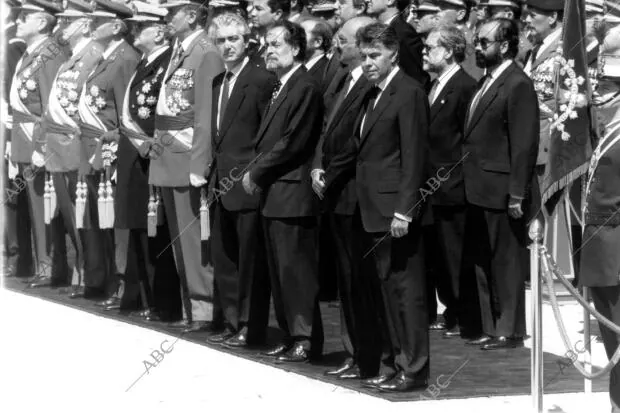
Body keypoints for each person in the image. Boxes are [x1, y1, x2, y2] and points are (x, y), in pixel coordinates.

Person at [322, 22, 430, 392]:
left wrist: (405, 209)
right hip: (369, 209)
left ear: (393, 54)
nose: (368, 62)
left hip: (394, 211)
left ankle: (414, 369)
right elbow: (357, 145)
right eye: (364, 55)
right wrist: (327, 171)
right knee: (384, 294)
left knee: (405, 293)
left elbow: (414, 155)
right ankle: (394, 362)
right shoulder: (373, 92)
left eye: (375, 55)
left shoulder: (408, 92)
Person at [242, 20, 324, 363]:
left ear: (296, 48)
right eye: (266, 45)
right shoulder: (280, 85)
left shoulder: (304, 86)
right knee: (279, 271)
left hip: (292, 191)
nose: (269, 51)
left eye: (276, 44)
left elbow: (294, 141)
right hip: (275, 193)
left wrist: (257, 171)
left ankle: (305, 337)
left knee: (296, 270)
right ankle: (290, 334)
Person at [462, 17, 538, 350]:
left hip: (503, 188)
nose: (478, 47)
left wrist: (517, 193)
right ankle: (491, 325)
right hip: (478, 187)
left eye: (484, 42)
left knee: (505, 261)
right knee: (483, 259)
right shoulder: (487, 81)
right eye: (477, 41)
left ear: (504, 46)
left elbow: (523, 144)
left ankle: (510, 329)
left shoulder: (517, 83)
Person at [151, 0, 224, 332]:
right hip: (168, 153)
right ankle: (190, 306)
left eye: (172, 11)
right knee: (179, 239)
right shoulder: (180, 48)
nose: (167, 17)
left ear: (192, 15)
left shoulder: (206, 50)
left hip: (186, 154)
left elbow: (205, 113)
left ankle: (204, 308)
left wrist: (200, 161)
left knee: (194, 237)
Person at [312, 15, 378, 380]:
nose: (337, 44)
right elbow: (328, 130)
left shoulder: (368, 85)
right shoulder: (341, 79)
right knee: (346, 284)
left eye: (344, 39)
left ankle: (367, 353)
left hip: (354, 194)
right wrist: (317, 167)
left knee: (360, 282)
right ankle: (353, 351)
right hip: (333, 193)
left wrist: (331, 171)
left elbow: (357, 141)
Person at [207, 12, 275, 349]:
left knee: (251, 262)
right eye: (221, 40)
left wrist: (256, 175)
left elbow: (269, 134)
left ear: (247, 40)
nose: (227, 46)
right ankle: (232, 321)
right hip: (219, 184)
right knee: (226, 259)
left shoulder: (262, 79)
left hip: (248, 183)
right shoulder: (218, 82)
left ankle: (252, 324)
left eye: (233, 39)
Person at [115, 0, 180, 321]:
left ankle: (161, 301)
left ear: (160, 32)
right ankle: (143, 296)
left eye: (142, 26)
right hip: (138, 156)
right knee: (139, 227)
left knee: (155, 231)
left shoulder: (167, 62)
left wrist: (148, 144)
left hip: (155, 155)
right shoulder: (145, 62)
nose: (135, 31)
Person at [36, 0, 104, 298]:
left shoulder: (92, 55)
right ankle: (81, 273)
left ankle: (91, 277)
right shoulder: (70, 57)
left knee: (84, 217)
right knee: (70, 216)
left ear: (86, 24)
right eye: (61, 20)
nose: (62, 26)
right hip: (58, 146)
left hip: (75, 145)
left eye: (69, 21)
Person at [75, 0, 141, 308]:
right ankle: (107, 280)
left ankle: (124, 285)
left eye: (98, 19)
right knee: (100, 221)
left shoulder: (125, 58)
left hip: (111, 149)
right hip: (93, 147)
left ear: (116, 26)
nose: (90, 24)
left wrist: (113, 146)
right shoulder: (106, 57)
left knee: (118, 222)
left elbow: (127, 114)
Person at [422, 24, 481, 339]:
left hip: (451, 187)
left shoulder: (463, 86)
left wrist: (454, 180)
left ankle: (462, 314)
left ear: (447, 50)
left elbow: (466, 141)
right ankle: (450, 309)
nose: (425, 52)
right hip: (430, 189)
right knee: (438, 256)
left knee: (456, 255)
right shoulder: (434, 85)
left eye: (430, 47)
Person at [580, 6, 620, 411]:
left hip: (617, 257)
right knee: (614, 347)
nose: (597, 92)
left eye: (606, 83)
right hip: (603, 254)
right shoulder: (610, 131)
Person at [9, 0, 65, 287]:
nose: (18, 20)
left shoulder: (50, 53)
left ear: (43, 22)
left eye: (25, 16)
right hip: (22, 136)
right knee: (32, 205)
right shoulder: (32, 53)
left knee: (44, 205)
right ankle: (41, 262)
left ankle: (50, 266)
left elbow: (49, 106)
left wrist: (40, 146)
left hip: (37, 139)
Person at [522, 0, 563, 190]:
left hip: (549, 147)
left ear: (553, 17)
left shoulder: (566, 50)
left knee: (546, 214)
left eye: (533, 15)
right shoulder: (534, 49)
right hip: (529, 141)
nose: (526, 20)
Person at [3, 0, 29, 280]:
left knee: (12, 194)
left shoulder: (12, 43)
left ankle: (17, 256)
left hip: (9, 129)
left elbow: (15, 91)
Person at [366, 0, 430, 90]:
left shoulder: (403, 32)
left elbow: (417, 76)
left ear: (390, 1)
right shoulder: (378, 30)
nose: (367, 0)